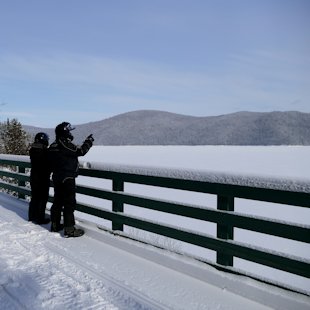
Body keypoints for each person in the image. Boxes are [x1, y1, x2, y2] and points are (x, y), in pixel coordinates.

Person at [48, 122, 94, 237]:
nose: (69, 133)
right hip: (67, 177)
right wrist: (88, 142)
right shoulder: (64, 144)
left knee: (58, 202)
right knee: (69, 203)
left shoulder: (53, 145)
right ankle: (69, 229)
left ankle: (55, 225)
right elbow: (80, 151)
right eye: (68, 131)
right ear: (64, 132)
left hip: (57, 177)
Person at [28, 132, 51, 224]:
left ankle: (32, 216)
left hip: (34, 176)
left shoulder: (33, 149)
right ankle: (40, 218)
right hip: (43, 177)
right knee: (42, 198)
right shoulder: (45, 151)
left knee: (35, 197)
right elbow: (48, 163)